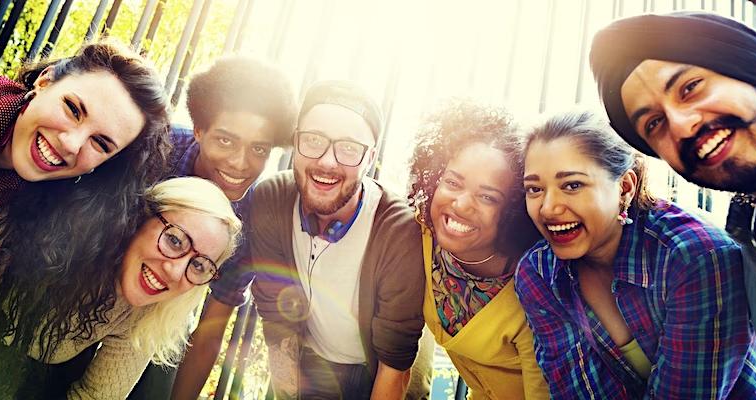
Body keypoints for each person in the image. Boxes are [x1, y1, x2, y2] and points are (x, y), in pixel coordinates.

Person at [590, 12, 756, 397]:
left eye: (690, 87)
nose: (681, 125)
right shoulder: (746, 241)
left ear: (753, 68)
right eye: (653, 124)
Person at [514, 109, 756, 399]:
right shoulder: (538, 273)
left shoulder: (695, 258)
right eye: (534, 189)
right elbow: (574, 390)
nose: (548, 208)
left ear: (625, 187)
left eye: (572, 185)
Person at [128, 57, 297, 400]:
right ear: (199, 130)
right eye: (225, 141)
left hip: (163, 322)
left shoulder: (252, 219)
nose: (240, 162)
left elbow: (209, 331)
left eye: (258, 149)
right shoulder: (155, 150)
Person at [0, 176, 242, 399]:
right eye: (174, 240)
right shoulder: (57, 233)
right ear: (142, 216)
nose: (175, 272)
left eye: (199, 266)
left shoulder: (147, 315)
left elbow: (96, 396)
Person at [248, 80, 425, 399]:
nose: (327, 161)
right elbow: (278, 322)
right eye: (314, 140)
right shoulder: (271, 200)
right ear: (296, 140)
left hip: (380, 371)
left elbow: (394, 363)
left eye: (348, 148)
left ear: (370, 158)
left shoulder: (398, 229)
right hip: (312, 359)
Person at [405, 100, 548, 399]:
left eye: (487, 197)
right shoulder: (419, 238)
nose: (461, 204)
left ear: (513, 209)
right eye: (453, 183)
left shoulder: (534, 287)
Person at [0, 40, 169, 210]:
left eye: (100, 143)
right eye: (73, 110)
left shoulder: (50, 209)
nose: (71, 144)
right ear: (44, 82)